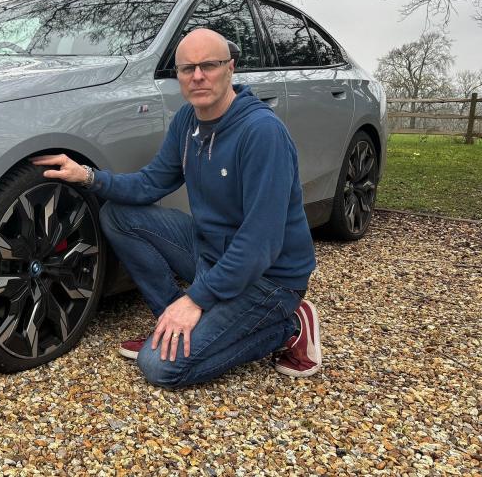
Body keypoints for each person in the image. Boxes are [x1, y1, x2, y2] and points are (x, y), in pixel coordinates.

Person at [32, 28, 320, 388]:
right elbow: (151, 182)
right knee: (117, 216)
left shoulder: (261, 133)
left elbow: (260, 243)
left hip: (269, 278)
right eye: (187, 69)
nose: (198, 76)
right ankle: (170, 325)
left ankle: (287, 326)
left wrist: (196, 299)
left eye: (209, 66)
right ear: (179, 76)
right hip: (212, 253)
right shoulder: (188, 122)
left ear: (231, 68)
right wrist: (88, 176)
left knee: (160, 367)